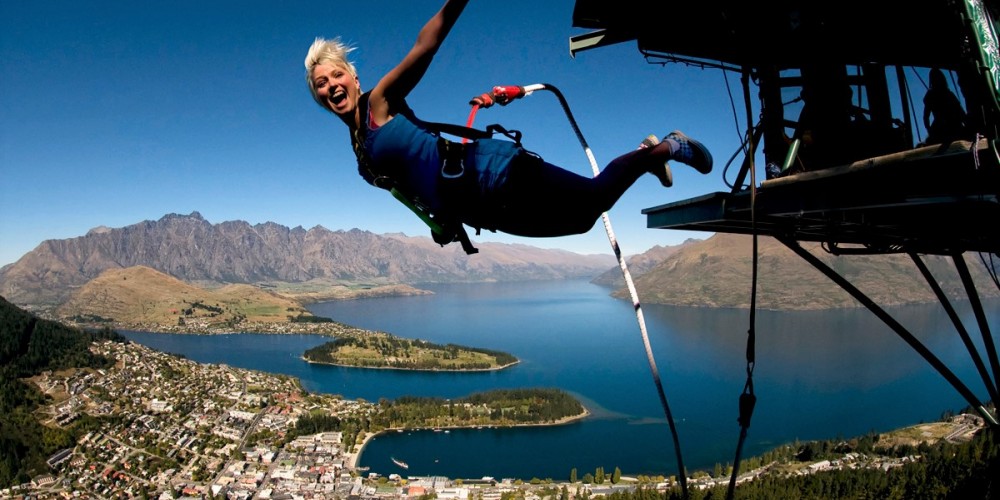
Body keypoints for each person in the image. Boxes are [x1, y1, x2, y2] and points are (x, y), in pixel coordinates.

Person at [304, 0, 711, 253]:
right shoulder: (361, 156)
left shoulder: (380, 102)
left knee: (593, 199)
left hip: (492, 172)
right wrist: (442, 222)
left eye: (335, 76)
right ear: (318, 98)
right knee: (583, 219)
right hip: (478, 205)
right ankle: (646, 157)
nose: (331, 87)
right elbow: (410, 190)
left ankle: (665, 148)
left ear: (353, 77)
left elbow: (424, 46)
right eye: (321, 84)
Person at [922, 68, 967, 145]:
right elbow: (926, 116)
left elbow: (960, 112)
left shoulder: (949, 94)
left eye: (938, 77)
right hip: (940, 129)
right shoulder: (931, 95)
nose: (937, 80)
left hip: (954, 127)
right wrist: (929, 130)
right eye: (935, 78)